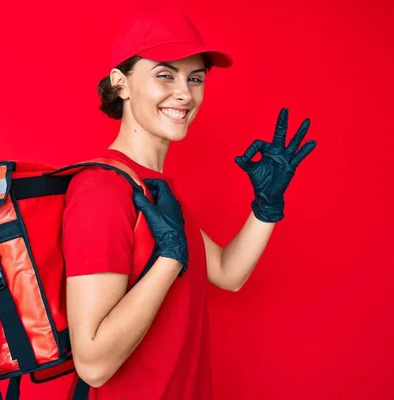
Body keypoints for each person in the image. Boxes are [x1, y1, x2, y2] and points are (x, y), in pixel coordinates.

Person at [61, 7, 317, 400]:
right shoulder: (102, 189)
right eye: (165, 74)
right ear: (121, 83)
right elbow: (93, 364)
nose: (184, 92)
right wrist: (169, 261)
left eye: (194, 78)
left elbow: (228, 274)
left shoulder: (155, 189)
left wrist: (266, 208)